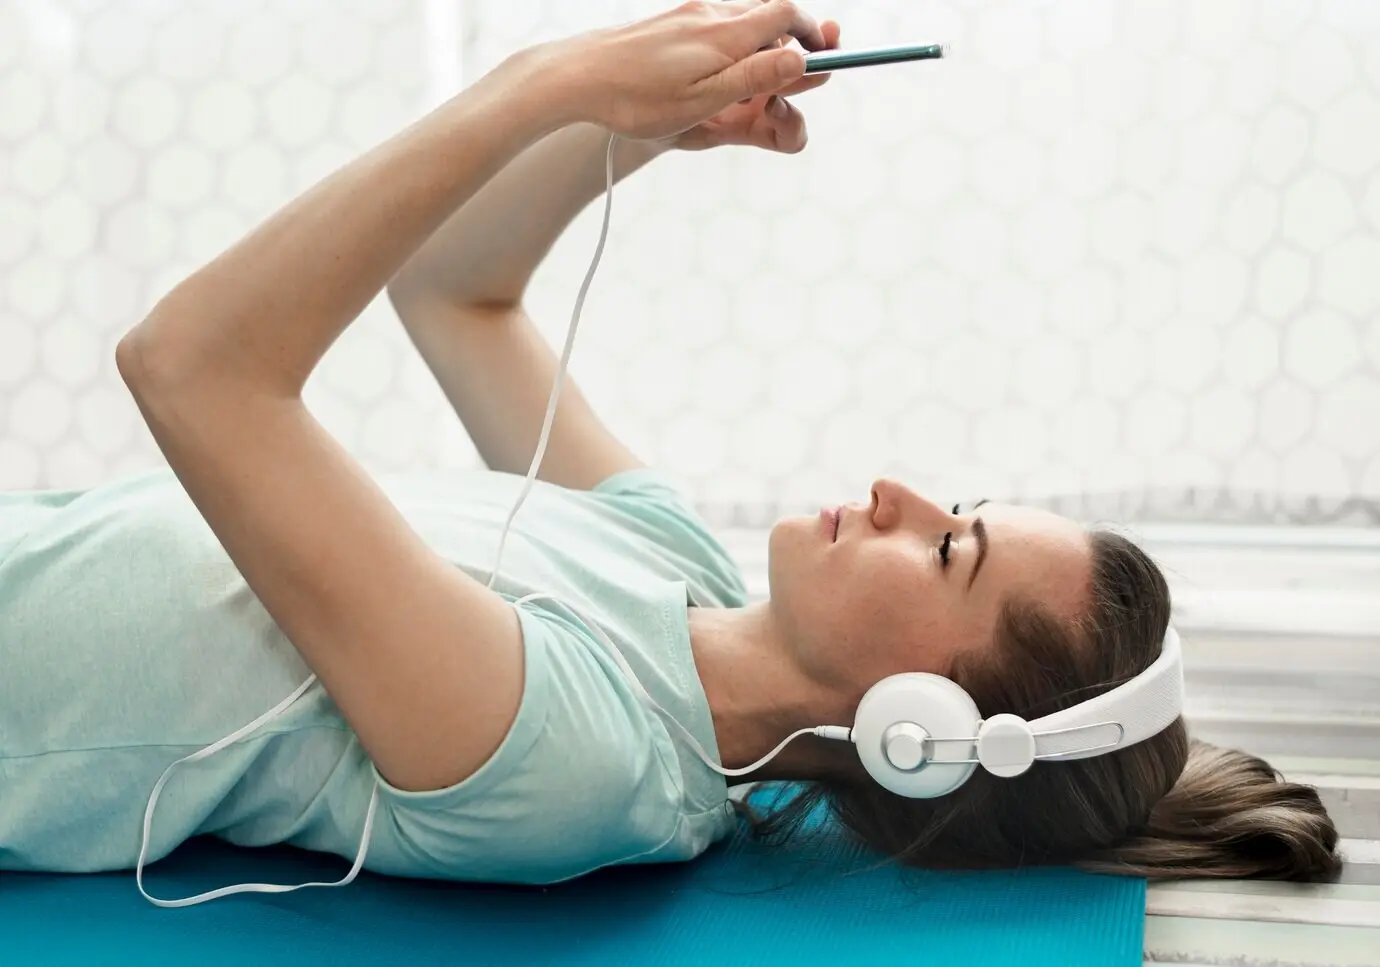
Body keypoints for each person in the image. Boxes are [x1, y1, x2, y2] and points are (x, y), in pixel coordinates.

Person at [0, 0, 1340, 889]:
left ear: (920, 730)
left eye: (948, 548)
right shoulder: (673, 560)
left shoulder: (582, 754)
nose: (895, 490)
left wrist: (535, 89)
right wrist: (628, 137)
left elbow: (195, 370)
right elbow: (455, 296)